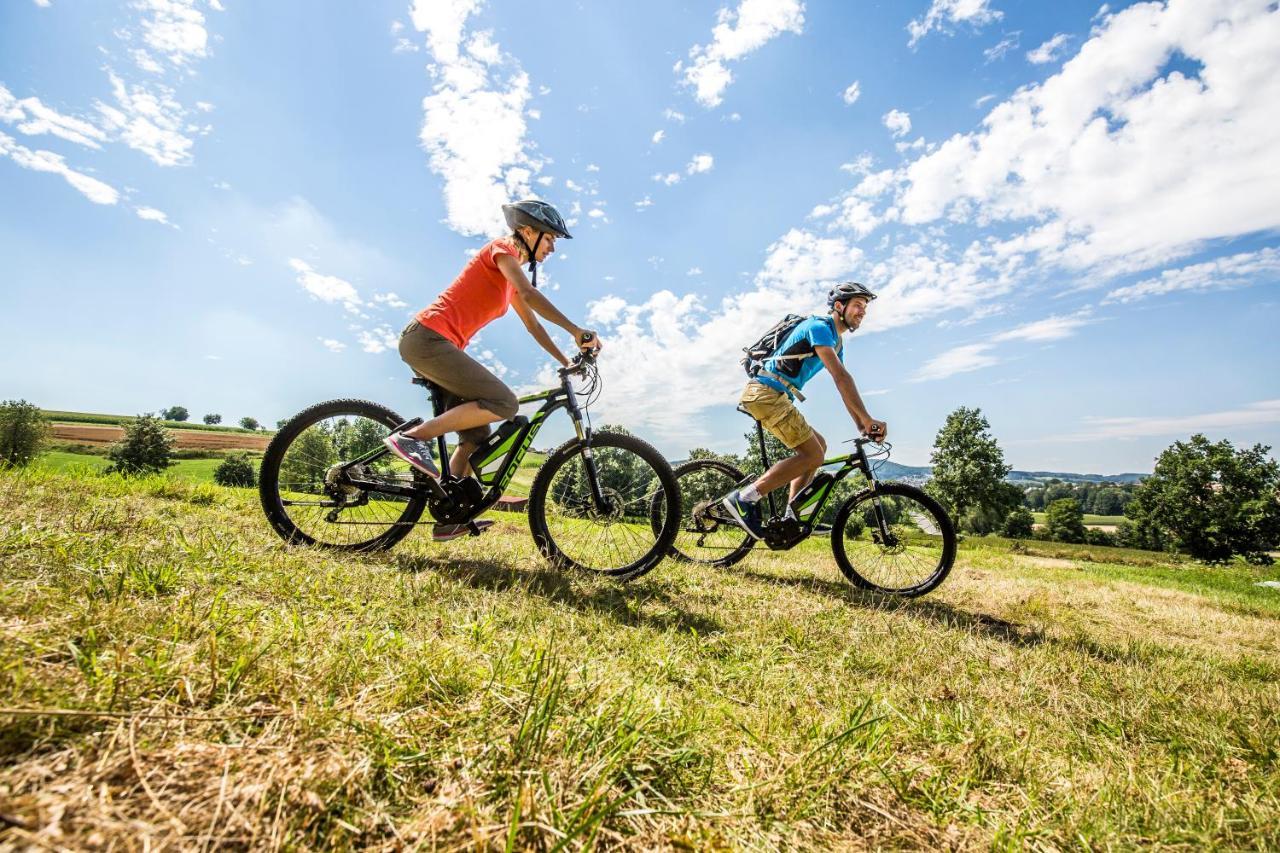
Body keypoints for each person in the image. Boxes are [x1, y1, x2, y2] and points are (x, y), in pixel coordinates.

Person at [384, 199, 601, 541]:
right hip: (427, 339)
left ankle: (448, 515)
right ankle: (412, 438)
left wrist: (566, 362)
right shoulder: (502, 250)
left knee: (476, 436)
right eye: (550, 239)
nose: (553, 247)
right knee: (504, 403)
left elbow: (534, 327)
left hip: (440, 345)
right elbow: (530, 294)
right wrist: (577, 331)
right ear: (527, 231)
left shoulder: (509, 279)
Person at [721, 281, 887, 539]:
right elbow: (840, 377)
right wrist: (867, 419)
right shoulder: (820, 327)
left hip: (776, 396)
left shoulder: (836, 341)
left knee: (818, 446)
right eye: (857, 305)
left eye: (865, 308)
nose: (862, 312)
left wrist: (861, 425)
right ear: (839, 306)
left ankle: (792, 518)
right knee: (812, 455)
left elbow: (842, 385)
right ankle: (745, 498)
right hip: (766, 394)